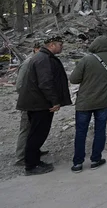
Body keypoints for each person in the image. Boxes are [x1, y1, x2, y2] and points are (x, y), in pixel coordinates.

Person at [16, 36, 72, 176]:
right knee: (37, 134)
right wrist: (54, 101)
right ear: (52, 45)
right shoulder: (43, 59)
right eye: (60, 44)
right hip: (39, 104)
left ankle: (34, 160)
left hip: (37, 102)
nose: (62, 47)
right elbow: (45, 83)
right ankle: (31, 166)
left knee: (36, 133)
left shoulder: (42, 57)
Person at [69, 35, 107, 173]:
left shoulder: (87, 59)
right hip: (104, 100)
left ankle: (78, 163)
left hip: (85, 102)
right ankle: (96, 159)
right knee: (100, 130)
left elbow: (74, 79)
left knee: (81, 132)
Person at [15, 43, 46, 166]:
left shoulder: (39, 61)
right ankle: (21, 156)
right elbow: (19, 85)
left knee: (35, 128)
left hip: (36, 102)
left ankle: (33, 150)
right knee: (26, 128)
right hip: (28, 102)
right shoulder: (28, 63)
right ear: (36, 49)